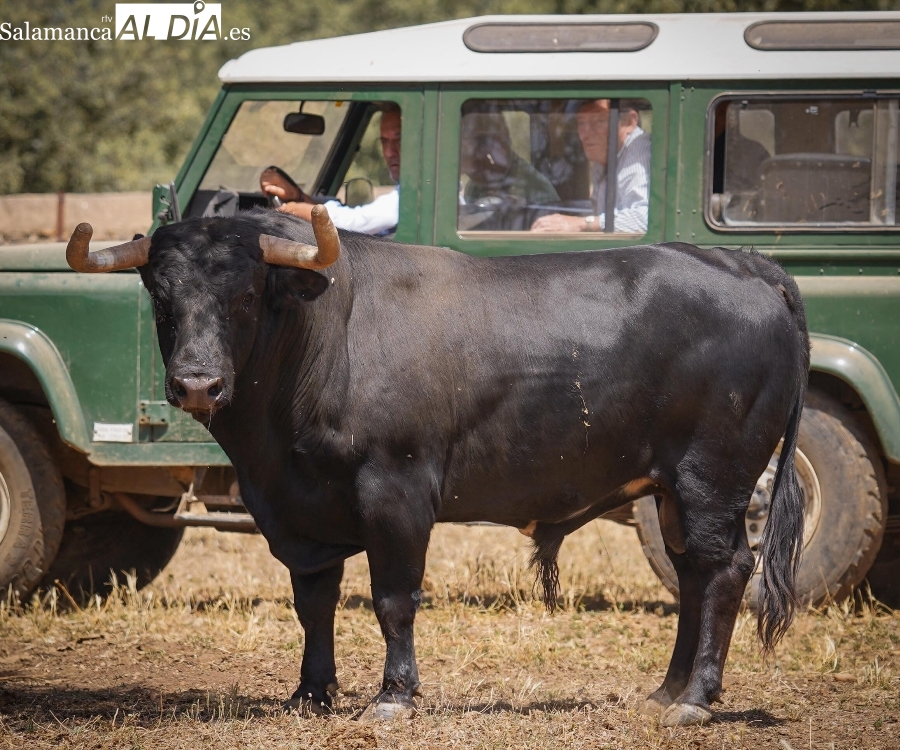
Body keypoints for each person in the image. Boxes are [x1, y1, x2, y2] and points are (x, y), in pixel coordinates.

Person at [260, 105, 401, 235]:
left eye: (399, 139)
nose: (389, 152)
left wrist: (297, 211)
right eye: (384, 141)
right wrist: (299, 197)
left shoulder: (414, 194)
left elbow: (359, 223)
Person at [531, 99, 651, 234]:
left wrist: (582, 224)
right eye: (581, 123)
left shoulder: (638, 150)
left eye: (599, 121)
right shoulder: (605, 158)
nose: (585, 134)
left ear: (629, 122)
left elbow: (645, 219)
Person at [459, 111, 560, 231]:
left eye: (472, 157)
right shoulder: (475, 187)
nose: (469, 171)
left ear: (495, 144)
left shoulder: (534, 189)